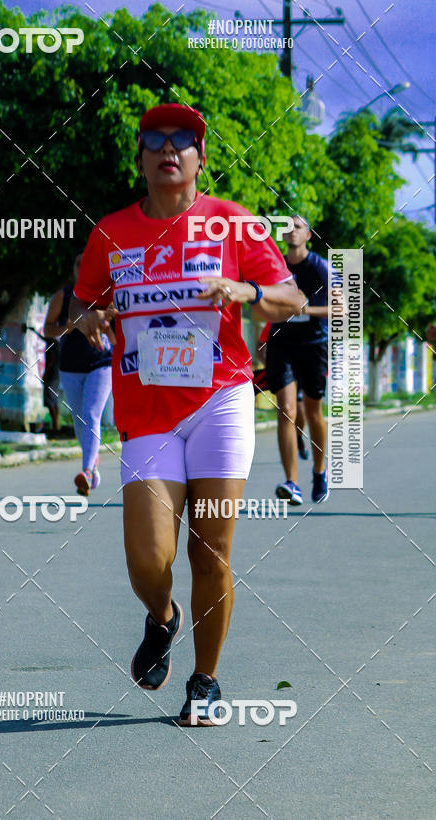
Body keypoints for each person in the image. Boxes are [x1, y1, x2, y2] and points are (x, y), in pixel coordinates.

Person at [69, 103, 305, 725]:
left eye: (183, 139)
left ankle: (205, 680)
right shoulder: (111, 232)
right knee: (148, 559)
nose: (169, 148)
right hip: (147, 411)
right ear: (140, 157)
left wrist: (245, 290)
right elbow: (81, 304)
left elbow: (292, 297)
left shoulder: (232, 223)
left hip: (220, 401)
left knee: (211, 549)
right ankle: (162, 616)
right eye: (155, 139)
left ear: (201, 158)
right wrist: (90, 318)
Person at [265, 215, 330, 505]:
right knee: (287, 409)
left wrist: (305, 310)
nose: (291, 231)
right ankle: (292, 483)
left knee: (313, 412)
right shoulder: (274, 265)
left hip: (314, 344)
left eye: (298, 227)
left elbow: (341, 308)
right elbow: (262, 301)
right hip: (281, 343)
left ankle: (319, 471)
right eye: (287, 227)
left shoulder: (320, 266)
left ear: (308, 235)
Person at [43, 253, 113, 496]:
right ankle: (92, 464)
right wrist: (67, 328)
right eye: (77, 264)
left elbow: (119, 326)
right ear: (73, 269)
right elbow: (48, 329)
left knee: (91, 414)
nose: (82, 268)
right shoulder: (63, 297)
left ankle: (87, 472)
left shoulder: (107, 293)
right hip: (70, 366)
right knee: (79, 420)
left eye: (87, 264)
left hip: (101, 362)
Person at [255, 322, 308, 459]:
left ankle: (299, 437)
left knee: (301, 411)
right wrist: (271, 366)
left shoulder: (308, 322)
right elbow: (259, 347)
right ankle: (289, 463)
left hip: (301, 373)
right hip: (282, 373)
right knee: (287, 410)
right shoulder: (274, 322)